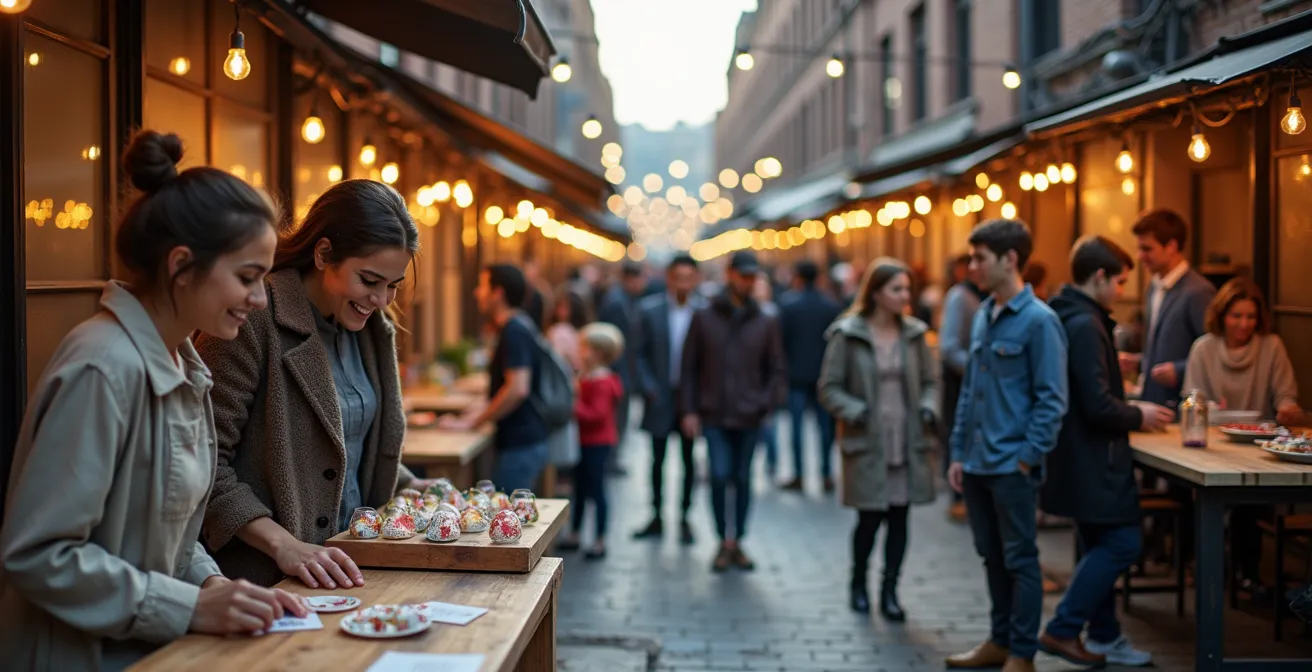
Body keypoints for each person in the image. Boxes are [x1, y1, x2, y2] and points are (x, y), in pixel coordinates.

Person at [0, 131, 307, 670]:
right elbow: (39, 554)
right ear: (181, 264)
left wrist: (218, 587)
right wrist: (192, 604)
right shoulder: (104, 367)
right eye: (247, 278)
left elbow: (169, 531)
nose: (260, 300)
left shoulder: (182, 365)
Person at [198, 179, 422, 588]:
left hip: (357, 565)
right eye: (369, 280)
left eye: (394, 285)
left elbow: (343, 444)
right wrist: (284, 544)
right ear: (323, 254)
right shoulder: (253, 317)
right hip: (265, 582)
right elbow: (204, 464)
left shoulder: (372, 332)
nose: (383, 300)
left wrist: (409, 483)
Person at [1038, 235, 1171, 668]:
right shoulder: (1085, 324)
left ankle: (1104, 636)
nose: (1120, 291)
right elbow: (1095, 404)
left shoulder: (1076, 317)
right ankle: (1062, 628)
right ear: (1099, 276)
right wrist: (1139, 413)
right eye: (1119, 282)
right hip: (1095, 460)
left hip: (1077, 458)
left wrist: (1113, 361)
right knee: (1124, 543)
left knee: (1098, 542)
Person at [945, 219, 1069, 672]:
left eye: (980, 258)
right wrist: (958, 452)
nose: (972, 266)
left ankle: (1022, 652)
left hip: (1010, 465)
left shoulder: (1040, 322)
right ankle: (998, 641)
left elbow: (1052, 400)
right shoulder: (983, 313)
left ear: (1010, 259)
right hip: (976, 463)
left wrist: (1026, 458)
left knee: (1020, 558)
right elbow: (970, 392)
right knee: (991, 555)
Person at [818, 258, 940, 621]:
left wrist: (928, 407)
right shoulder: (848, 333)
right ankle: (858, 584)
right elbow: (828, 387)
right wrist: (855, 410)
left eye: (907, 289)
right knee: (869, 520)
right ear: (876, 292)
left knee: (900, 519)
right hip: (868, 438)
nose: (905, 296)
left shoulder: (915, 334)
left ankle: (890, 590)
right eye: (897, 289)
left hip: (906, 437)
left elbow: (932, 382)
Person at [1183, 277, 1303, 602]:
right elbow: (1193, 399)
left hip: (1258, 446)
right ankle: (1209, 570)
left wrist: (1289, 410)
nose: (1244, 324)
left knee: (1251, 501)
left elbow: (1286, 396)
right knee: (1199, 497)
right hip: (1211, 445)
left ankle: (1246, 575)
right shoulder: (1204, 348)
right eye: (1236, 316)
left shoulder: (1271, 346)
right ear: (1222, 315)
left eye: (1250, 317)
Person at [681, 251, 787, 572]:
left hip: (749, 414)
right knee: (719, 475)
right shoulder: (705, 316)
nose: (748, 281)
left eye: (753, 276)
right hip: (714, 412)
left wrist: (766, 404)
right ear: (730, 275)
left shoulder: (766, 320)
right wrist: (689, 409)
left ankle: (736, 540)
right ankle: (721, 539)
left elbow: (776, 368)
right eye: (743, 275)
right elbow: (689, 367)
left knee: (742, 478)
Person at [443, 265, 549, 491]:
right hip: (523, 442)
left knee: (509, 519)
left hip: (521, 443)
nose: (476, 292)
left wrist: (473, 422)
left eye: (482, 286)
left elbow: (517, 388)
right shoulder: (517, 326)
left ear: (498, 293)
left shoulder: (514, 330)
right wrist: (471, 415)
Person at [632, 254, 706, 544]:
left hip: (690, 400)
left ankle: (685, 516)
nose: (683, 284)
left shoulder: (704, 311)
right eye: (678, 278)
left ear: (697, 279)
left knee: (689, 460)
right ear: (668, 278)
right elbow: (638, 355)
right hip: (659, 397)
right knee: (657, 460)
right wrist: (649, 387)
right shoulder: (650, 311)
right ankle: (656, 515)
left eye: (689, 278)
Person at [1132, 209, 1216, 410]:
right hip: (1152, 400)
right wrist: (1138, 361)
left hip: (1182, 405)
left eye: (1147, 249)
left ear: (1171, 246)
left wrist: (1178, 370)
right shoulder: (1153, 286)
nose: (1140, 256)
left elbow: (1214, 352)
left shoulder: (1198, 291)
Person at [559, 323, 625, 559]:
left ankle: (599, 538)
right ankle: (576, 533)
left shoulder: (602, 381)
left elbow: (596, 414)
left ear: (597, 352)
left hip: (597, 442)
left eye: (584, 347)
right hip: (585, 441)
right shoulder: (587, 376)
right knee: (580, 488)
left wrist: (574, 405)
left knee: (596, 490)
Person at [779, 260, 843, 492]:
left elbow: (782, 342)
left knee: (796, 428)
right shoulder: (830, 306)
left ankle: (799, 474)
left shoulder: (789, 305)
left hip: (796, 375)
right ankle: (826, 473)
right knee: (824, 427)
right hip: (822, 376)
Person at [938, 253, 986, 523]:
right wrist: (981, 372)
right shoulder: (961, 297)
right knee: (958, 434)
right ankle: (958, 497)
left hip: (968, 381)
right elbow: (949, 348)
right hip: (960, 382)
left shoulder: (974, 296)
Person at [598, 261, 647, 474]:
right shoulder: (618, 302)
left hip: (622, 369)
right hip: (619, 371)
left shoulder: (622, 299)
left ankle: (612, 458)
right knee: (617, 418)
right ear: (630, 278)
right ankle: (611, 460)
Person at [752, 274, 783, 478]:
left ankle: (772, 460)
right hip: (752, 377)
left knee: (768, 425)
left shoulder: (772, 313)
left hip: (765, 378)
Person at [547, 290, 591, 372]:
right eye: (558, 306)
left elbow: (556, 362)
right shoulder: (585, 332)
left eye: (564, 307)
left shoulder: (559, 331)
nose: (559, 311)